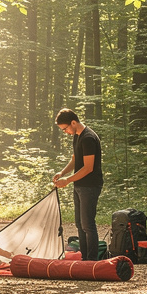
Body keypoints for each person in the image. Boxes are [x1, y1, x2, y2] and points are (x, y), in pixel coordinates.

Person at [52, 108, 103, 260]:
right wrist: (62, 173)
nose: (65, 132)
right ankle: (85, 257)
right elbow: (75, 160)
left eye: (65, 128)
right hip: (79, 185)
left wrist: (67, 181)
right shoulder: (77, 136)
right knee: (79, 223)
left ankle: (92, 260)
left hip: (90, 186)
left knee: (88, 224)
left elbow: (88, 167)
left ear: (73, 122)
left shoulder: (88, 138)